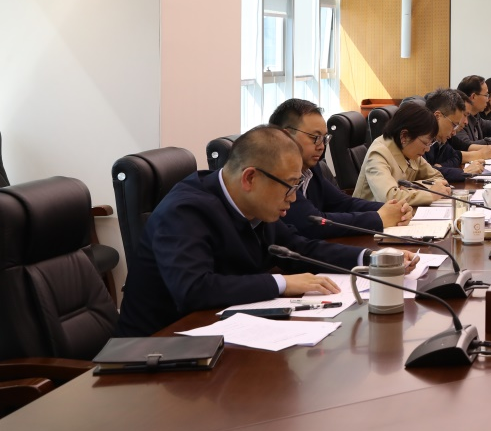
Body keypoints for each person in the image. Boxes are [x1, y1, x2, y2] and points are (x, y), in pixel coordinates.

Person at [117, 126, 415, 337]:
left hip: (219, 332)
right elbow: (194, 290)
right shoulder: (185, 211)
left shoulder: (255, 204)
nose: (294, 198)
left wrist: (372, 259)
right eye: (290, 186)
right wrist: (282, 283)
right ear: (250, 178)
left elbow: (299, 248)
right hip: (155, 352)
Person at [270, 99, 413, 238]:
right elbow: (312, 224)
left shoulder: (311, 169)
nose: (321, 146)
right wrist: (378, 218)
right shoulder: (276, 175)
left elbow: (343, 203)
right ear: (286, 136)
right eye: (315, 137)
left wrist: (394, 208)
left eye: (325, 139)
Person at [354, 102, 449, 207]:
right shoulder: (378, 154)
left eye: (430, 143)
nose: (427, 149)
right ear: (404, 136)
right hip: (370, 214)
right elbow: (389, 198)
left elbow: (438, 178)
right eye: (425, 143)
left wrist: (410, 188)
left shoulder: (410, 151)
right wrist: (430, 194)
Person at [421, 88, 485, 184]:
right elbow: (424, 172)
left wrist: (442, 167)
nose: (454, 132)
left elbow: (455, 157)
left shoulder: (439, 140)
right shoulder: (419, 137)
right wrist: (464, 172)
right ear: (437, 116)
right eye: (454, 125)